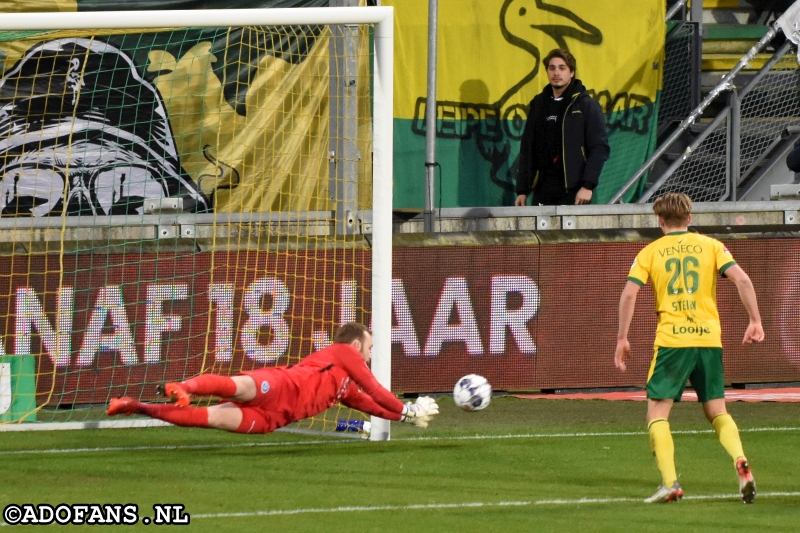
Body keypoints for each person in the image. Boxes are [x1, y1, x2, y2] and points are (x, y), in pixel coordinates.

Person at [614, 193, 764, 504]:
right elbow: (743, 280)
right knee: (717, 410)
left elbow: (629, 295)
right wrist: (755, 321)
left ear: (660, 221)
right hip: (709, 339)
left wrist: (622, 338)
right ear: (690, 218)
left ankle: (670, 482)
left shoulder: (650, 252)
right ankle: (740, 459)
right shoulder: (711, 246)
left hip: (672, 341)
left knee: (657, 412)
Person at [107, 322, 439, 434]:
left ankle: (135, 405)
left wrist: (405, 416)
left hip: (274, 417)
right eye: (369, 348)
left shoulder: (344, 388)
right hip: (282, 384)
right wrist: (408, 410)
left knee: (205, 418)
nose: (369, 355)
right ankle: (184, 386)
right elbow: (376, 388)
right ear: (355, 345)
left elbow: (373, 404)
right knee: (237, 385)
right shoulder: (344, 352)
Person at [515, 48, 609, 206]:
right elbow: (527, 149)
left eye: (562, 68)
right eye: (552, 68)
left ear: (571, 72)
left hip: (575, 192)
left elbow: (599, 147)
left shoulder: (586, 105)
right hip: (542, 192)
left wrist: (587, 185)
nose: (556, 73)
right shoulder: (538, 104)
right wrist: (522, 190)